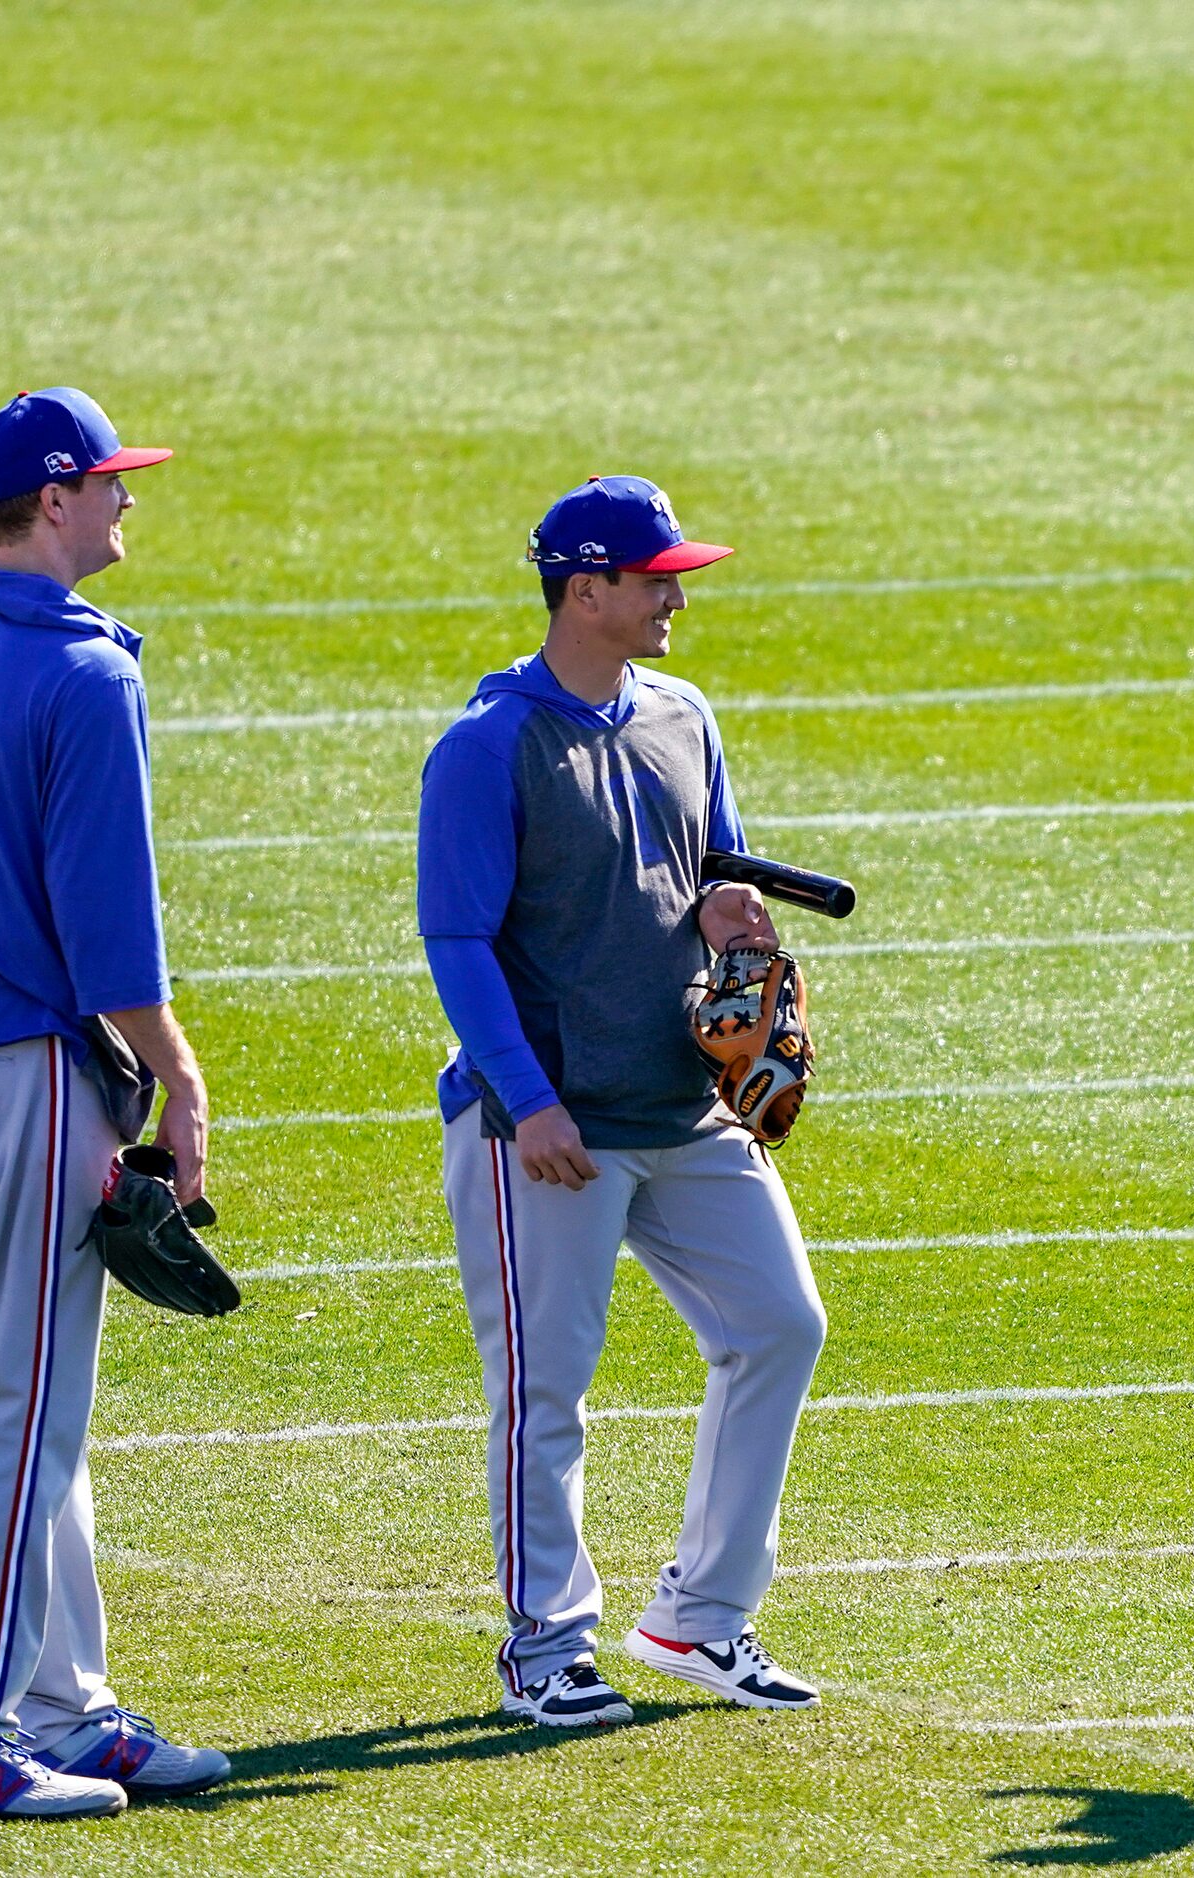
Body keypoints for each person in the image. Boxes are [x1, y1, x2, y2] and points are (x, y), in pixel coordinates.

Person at [0, 389, 230, 1818]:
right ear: (60, 496)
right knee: (19, 1415)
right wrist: (179, 1070)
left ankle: (66, 1708)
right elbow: (107, 932)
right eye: (116, 485)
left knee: (23, 1409)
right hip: (27, 1064)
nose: (132, 505)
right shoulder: (89, 673)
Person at [417, 475, 828, 1724]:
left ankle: (699, 1621)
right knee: (546, 1386)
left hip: (678, 1107)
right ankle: (546, 1645)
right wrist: (527, 1101)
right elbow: (457, 942)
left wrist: (731, 919)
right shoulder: (488, 745)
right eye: (656, 580)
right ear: (582, 589)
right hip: (546, 1128)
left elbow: (717, 872)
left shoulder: (684, 715)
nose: (676, 598)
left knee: (780, 1324)